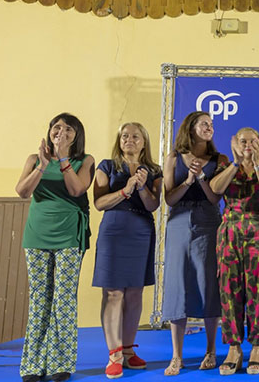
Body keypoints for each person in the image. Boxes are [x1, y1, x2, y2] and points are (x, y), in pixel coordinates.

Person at [15, 113, 95, 382]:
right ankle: (32, 365)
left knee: (63, 299)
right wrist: (42, 165)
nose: (61, 132)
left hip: (68, 236)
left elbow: (76, 190)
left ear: (77, 135)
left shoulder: (85, 161)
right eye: (57, 127)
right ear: (49, 131)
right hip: (37, 235)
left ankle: (61, 363)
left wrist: (62, 159)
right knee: (40, 299)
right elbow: (23, 192)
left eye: (69, 129)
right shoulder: (34, 159)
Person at [92, 122, 163, 378]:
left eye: (135, 136)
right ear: (119, 140)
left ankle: (129, 351)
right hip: (114, 229)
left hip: (141, 231)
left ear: (144, 142)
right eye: (124, 136)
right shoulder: (107, 166)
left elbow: (153, 205)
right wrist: (125, 190)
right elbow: (99, 202)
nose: (129, 140)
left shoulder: (154, 170)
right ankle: (114, 354)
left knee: (134, 293)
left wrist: (142, 187)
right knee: (113, 293)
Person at [209, 127, 259, 376]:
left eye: (252, 141)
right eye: (242, 141)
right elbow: (216, 188)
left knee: (258, 291)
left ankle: (257, 348)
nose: (247, 144)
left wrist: (257, 163)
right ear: (233, 142)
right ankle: (234, 348)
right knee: (229, 290)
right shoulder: (226, 167)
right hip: (229, 234)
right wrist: (236, 162)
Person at [161, 111, 223, 376]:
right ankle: (177, 356)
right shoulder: (173, 158)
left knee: (208, 284)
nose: (209, 127)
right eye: (204, 124)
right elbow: (169, 199)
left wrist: (200, 178)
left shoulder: (220, 160)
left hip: (209, 222)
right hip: (178, 221)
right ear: (190, 128)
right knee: (177, 285)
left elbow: (214, 198)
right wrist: (187, 180)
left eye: (211, 124)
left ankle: (210, 350)